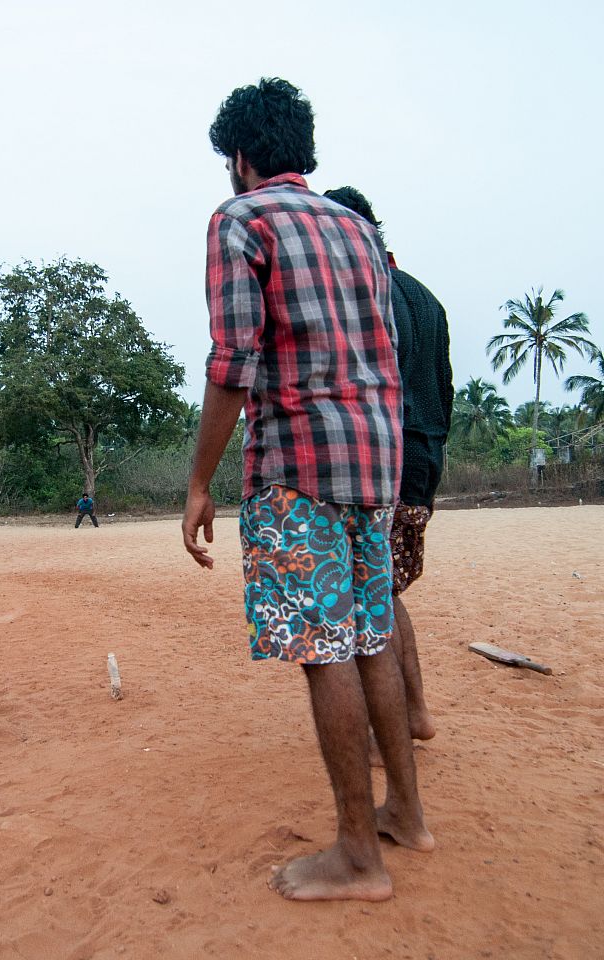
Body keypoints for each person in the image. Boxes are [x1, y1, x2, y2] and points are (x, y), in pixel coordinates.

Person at [182, 78, 433, 902]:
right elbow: (387, 356)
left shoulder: (241, 220)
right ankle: (407, 813)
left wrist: (197, 482)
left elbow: (233, 363)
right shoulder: (361, 230)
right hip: (374, 464)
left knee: (324, 649)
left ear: (242, 158)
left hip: (296, 471)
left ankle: (358, 857)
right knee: (371, 638)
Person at [323, 187, 453, 744]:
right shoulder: (427, 299)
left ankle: (398, 721)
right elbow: (443, 392)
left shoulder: (367, 291)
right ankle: (416, 711)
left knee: (374, 595)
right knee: (388, 590)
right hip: (423, 459)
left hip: (383, 457)